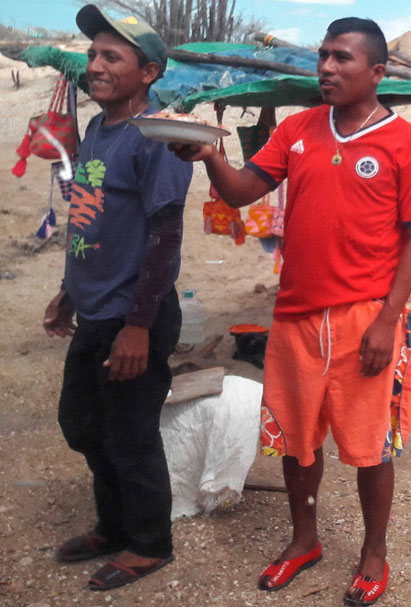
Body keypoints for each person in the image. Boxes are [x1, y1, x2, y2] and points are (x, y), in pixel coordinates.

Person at [172, 17, 411, 606]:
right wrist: (213, 155)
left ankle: (374, 553)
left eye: (342, 58)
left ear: (377, 72)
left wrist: (389, 318)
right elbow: (242, 191)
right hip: (294, 315)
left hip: (366, 317)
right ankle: (305, 540)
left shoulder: (406, 144)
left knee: (373, 445)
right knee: (297, 441)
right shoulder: (297, 129)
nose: (326, 68)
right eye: (322, 56)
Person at [42, 4, 192, 591]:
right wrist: (68, 291)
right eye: (92, 54)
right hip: (97, 308)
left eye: (112, 56)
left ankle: (150, 543)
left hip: (137, 314)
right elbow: (90, 221)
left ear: (148, 71)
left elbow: (165, 233)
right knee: (82, 424)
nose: (95, 65)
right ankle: (114, 524)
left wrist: (138, 325)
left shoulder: (157, 136)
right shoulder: (100, 130)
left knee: (130, 435)